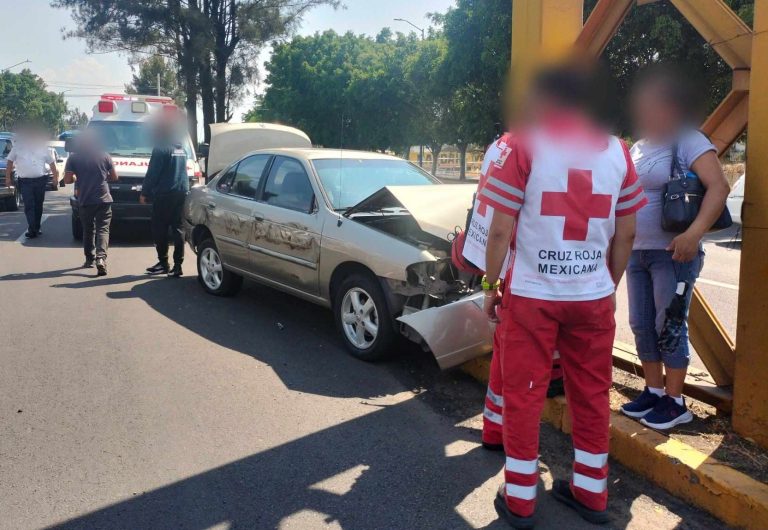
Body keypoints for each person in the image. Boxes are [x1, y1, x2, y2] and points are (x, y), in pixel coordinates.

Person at [481, 64, 645, 527]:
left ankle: (521, 501)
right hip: (591, 296)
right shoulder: (618, 151)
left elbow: (499, 232)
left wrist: (491, 286)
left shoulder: (524, 144)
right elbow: (627, 233)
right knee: (592, 393)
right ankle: (592, 493)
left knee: (524, 394)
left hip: (532, 294)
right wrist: (604, 284)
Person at [620, 66, 730, 430]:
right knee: (640, 324)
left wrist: (694, 234)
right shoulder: (638, 147)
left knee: (668, 323)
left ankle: (675, 401)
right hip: (638, 251)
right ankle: (653, 391)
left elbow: (718, 187)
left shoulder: (688, 139)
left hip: (674, 252)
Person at [454, 135, 564, 453]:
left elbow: (494, 224)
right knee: (520, 372)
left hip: (506, 270)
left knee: (502, 358)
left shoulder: (500, 147)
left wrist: (491, 286)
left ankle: (492, 430)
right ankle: (516, 461)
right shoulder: (543, 152)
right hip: (532, 277)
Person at [63, 131, 118, 276]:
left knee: (88, 230)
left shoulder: (74, 158)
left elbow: (67, 180)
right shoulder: (105, 156)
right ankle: (101, 258)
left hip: (85, 200)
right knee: (103, 229)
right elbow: (114, 177)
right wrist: (103, 177)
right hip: (104, 198)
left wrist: (77, 178)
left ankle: (89, 259)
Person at [140, 117, 189, 278]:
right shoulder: (181, 148)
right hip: (181, 192)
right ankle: (178, 265)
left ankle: (163, 263)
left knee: (159, 228)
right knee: (178, 228)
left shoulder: (161, 148)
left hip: (165, 194)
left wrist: (145, 192)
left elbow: (152, 173)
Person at [5, 125, 59, 238]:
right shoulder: (18, 147)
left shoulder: (43, 148)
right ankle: (32, 229)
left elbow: (52, 163)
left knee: (38, 205)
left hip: (40, 180)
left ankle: (36, 227)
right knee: (29, 205)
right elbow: (9, 161)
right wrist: (8, 178)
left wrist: (55, 177)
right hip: (25, 181)